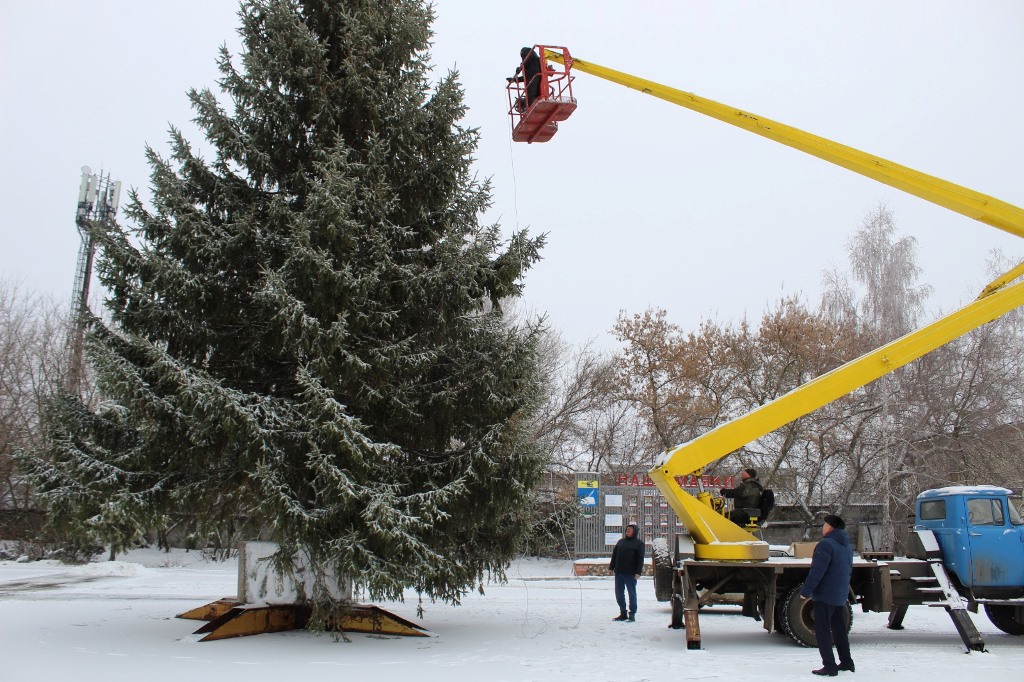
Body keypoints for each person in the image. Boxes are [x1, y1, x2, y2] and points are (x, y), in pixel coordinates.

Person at [800, 514, 855, 677]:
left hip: (824, 595)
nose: (822, 527)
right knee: (839, 629)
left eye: (824, 524)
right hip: (839, 594)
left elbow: (817, 572)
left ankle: (829, 666)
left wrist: (806, 591)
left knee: (822, 630)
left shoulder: (825, 545)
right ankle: (846, 662)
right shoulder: (847, 546)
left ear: (830, 527)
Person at [608, 523, 645, 622]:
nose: (627, 530)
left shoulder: (638, 543)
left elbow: (640, 559)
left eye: (630, 529)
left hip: (631, 573)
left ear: (635, 532)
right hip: (619, 572)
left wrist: (638, 572)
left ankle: (632, 613)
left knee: (631, 593)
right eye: (627, 529)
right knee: (619, 593)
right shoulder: (620, 542)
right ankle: (623, 612)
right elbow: (614, 556)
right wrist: (611, 568)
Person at [507, 46, 541, 112]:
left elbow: (532, 74)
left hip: (534, 80)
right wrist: (514, 79)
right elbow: (526, 77)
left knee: (531, 97)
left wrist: (522, 67)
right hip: (533, 80)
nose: (522, 58)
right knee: (530, 96)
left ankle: (532, 108)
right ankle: (531, 107)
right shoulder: (530, 63)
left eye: (523, 56)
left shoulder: (533, 62)